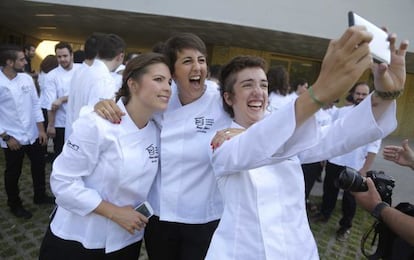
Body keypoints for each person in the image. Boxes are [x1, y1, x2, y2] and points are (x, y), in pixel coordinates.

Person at [205, 25, 408, 258]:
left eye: (263, 84)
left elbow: (338, 133)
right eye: (247, 85)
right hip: (242, 252)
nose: (258, 92)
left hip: (297, 249)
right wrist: (320, 91)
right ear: (228, 97)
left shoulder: (291, 132)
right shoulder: (222, 141)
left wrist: (384, 95)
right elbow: (256, 145)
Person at [95, 32, 232, 260]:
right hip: (159, 213)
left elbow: (262, 123)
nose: (197, 67)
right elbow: (128, 104)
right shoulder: (162, 96)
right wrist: (103, 103)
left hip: (203, 217)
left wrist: (244, 130)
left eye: (201, 60)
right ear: (173, 72)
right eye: (187, 61)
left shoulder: (220, 101)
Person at [38, 52, 172, 259]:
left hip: (126, 241)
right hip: (80, 239)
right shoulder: (98, 124)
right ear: (133, 84)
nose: (167, 88)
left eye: (170, 82)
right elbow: (62, 182)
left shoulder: (156, 130)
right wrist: (115, 213)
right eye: (158, 79)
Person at [312, 82, 383, 241]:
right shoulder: (342, 112)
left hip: (355, 166)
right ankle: (325, 214)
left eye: (364, 94)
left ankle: (345, 226)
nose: (360, 97)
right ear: (353, 94)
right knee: (329, 191)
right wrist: (323, 156)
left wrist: (365, 168)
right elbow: (330, 134)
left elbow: (373, 147)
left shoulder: (373, 118)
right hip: (334, 160)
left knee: (350, 198)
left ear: (369, 96)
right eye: (358, 93)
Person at [0, 44, 54, 219]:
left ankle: (40, 196)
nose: (25, 62)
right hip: (12, 138)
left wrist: (41, 130)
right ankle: (14, 204)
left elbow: (36, 104)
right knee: (13, 172)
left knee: (38, 166)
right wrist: (6, 136)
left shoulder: (26, 79)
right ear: (9, 62)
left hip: (33, 134)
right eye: (21, 59)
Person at [43, 42, 80, 160]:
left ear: (71, 55)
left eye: (65, 56)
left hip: (80, 121)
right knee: (60, 156)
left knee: (78, 155)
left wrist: (63, 98)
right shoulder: (51, 76)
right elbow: (51, 104)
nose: (62, 59)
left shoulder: (82, 71)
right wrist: (51, 125)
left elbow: (84, 94)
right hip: (61, 123)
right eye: (59, 57)